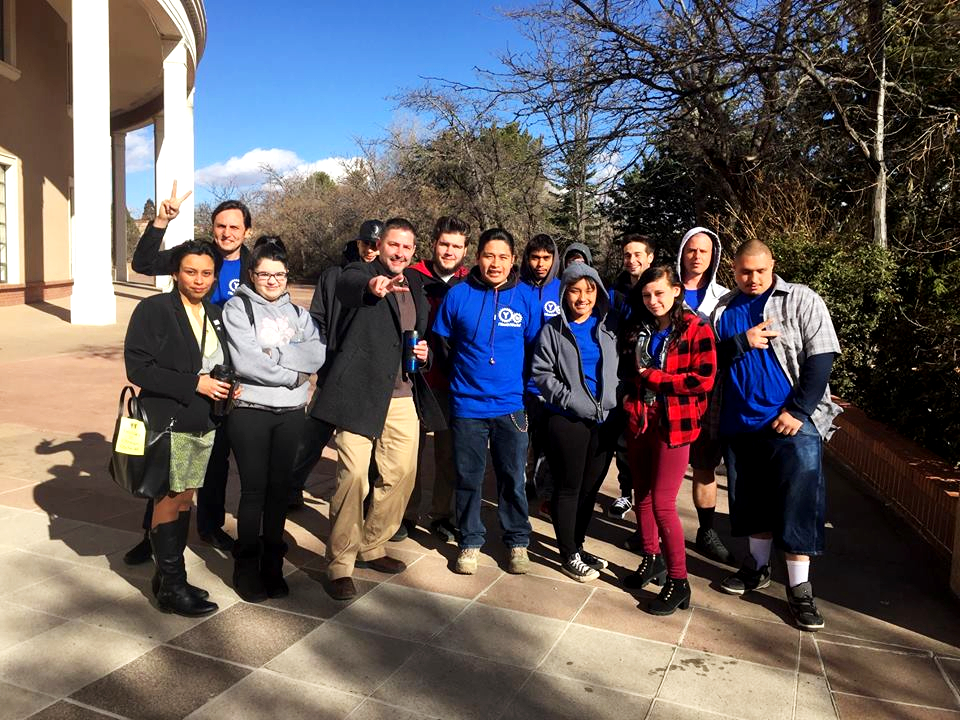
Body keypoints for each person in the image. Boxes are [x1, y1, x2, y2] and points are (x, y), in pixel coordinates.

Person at [311, 218, 444, 601]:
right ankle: (339, 563)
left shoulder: (417, 284)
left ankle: (372, 544)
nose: (399, 253)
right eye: (393, 245)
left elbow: (424, 335)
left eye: (406, 247)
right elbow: (350, 287)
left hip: (403, 393)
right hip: (357, 394)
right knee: (353, 476)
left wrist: (426, 354)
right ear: (379, 247)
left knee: (402, 473)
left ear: (413, 252)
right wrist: (372, 286)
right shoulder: (359, 273)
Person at [712, 240, 840, 632]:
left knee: (799, 507)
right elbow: (710, 360)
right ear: (732, 271)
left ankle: (800, 590)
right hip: (740, 425)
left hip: (791, 425)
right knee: (750, 503)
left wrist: (798, 412)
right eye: (744, 271)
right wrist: (738, 342)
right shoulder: (724, 309)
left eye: (759, 271)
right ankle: (756, 567)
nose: (752, 279)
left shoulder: (801, 299)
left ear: (773, 267)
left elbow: (822, 359)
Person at [123, 185, 253, 565]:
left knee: (213, 459)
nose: (227, 233)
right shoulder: (195, 257)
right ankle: (154, 539)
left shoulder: (252, 263)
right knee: (167, 470)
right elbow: (144, 263)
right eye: (220, 226)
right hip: (182, 374)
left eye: (234, 227)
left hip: (226, 376)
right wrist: (161, 221)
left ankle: (209, 527)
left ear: (246, 231)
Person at [123, 240, 234, 617]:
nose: (199, 280)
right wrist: (195, 384)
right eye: (191, 271)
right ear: (176, 272)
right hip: (169, 422)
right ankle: (172, 586)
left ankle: (167, 578)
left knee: (185, 497)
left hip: (202, 423)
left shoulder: (213, 313)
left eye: (206, 273)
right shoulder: (154, 310)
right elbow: (138, 368)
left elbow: (218, 359)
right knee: (170, 497)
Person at [222, 237, 325, 602]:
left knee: (280, 491)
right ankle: (246, 565)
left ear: (286, 277)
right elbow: (246, 362)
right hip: (250, 412)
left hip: (291, 414)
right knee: (254, 492)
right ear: (252, 275)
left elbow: (316, 352)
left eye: (278, 274)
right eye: (264, 274)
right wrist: (292, 374)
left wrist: (275, 355)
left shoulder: (298, 314)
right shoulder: (237, 309)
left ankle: (272, 564)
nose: (271, 280)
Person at [433, 228, 537, 575]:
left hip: (510, 406)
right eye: (489, 255)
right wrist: (463, 378)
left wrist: (521, 389)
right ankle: (469, 540)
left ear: (513, 260)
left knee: (512, 477)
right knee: (469, 477)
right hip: (468, 405)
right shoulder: (458, 295)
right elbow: (443, 344)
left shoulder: (525, 297)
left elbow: (535, 349)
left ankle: (518, 540)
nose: (495, 263)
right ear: (478, 257)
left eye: (503, 257)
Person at [620, 265, 716, 615]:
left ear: (676, 290)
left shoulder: (696, 327)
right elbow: (632, 373)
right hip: (641, 421)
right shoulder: (641, 327)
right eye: (647, 295)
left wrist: (658, 379)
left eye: (659, 293)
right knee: (641, 495)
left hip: (675, 424)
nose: (653, 301)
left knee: (662, 503)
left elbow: (702, 380)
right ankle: (652, 558)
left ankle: (679, 580)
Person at [531, 263, 620, 582]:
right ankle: (567, 553)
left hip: (604, 420)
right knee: (568, 489)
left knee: (588, 489)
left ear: (598, 292)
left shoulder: (608, 330)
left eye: (590, 289)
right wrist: (572, 399)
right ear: (565, 293)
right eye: (575, 290)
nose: (583, 297)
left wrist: (611, 400)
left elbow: (616, 370)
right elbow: (541, 374)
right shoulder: (552, 331)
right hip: (567, 420)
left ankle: (578, 545)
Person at [287, 220, 383, 509]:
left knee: (367, 443)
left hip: (369, 372)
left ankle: (367, 500)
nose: (371, 250)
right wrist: (321, 357)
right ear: (358, 243)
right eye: (367, 243)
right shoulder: (333, 275)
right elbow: (318, 318)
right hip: (333, 368)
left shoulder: (386, 278)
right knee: (313, 434)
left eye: (377, 245)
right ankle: (289, 487)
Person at [401, 216, 471, 542]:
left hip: (453, 380)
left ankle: (442, 515)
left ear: (465, 250)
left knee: (447, 456)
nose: (449, 251)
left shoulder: (470, 282)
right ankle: (404, 513)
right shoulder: (412, 276)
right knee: (408, 455)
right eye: (444, 244)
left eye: (456, 246)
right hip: (413, 379)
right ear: (434, 244)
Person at [677, 226, 736, 565]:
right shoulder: (666, 290)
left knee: (704, 466)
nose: (697, 256)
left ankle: (706, 531)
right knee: (663, 467)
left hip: (708, 398)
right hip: (670, 394)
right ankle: (651, 529)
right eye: (691, 249)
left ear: (713, 256)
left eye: (704, 250)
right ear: (682, 252)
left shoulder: (726, 299)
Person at [607, 234, 656, 522]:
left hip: (654, 376)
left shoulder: (658, 289)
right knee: (626, 439)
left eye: (638, 254)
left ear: (650, 257)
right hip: (624, 373)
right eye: (627, 255)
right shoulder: (616, 293)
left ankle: (650, 498)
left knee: (651, 438)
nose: (632, 260)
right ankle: (626, 492)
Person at [518, 234, 561, 510]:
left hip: (552, 381)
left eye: (546, 258)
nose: (540, 263)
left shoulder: (563, 288)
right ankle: (522, 487)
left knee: (548, 442)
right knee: (521, 440)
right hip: (520, 380)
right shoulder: (516, 288)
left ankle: (547, 492)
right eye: (535, 257)